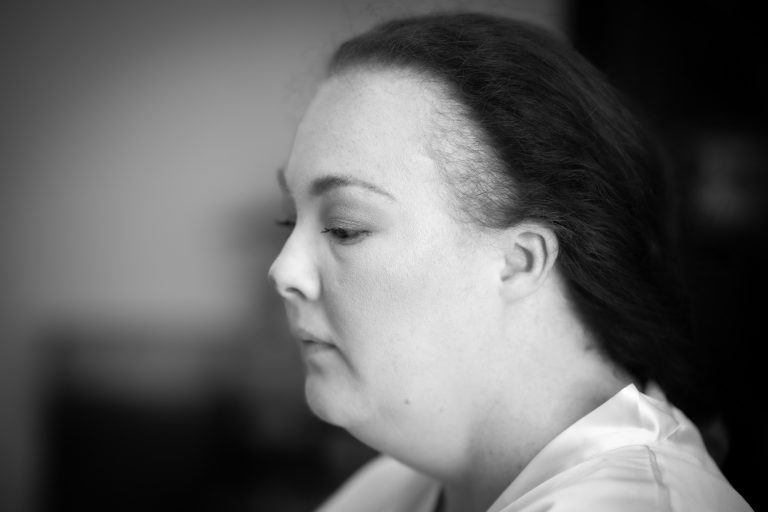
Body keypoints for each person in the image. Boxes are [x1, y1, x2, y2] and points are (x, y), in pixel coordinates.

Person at [267, 12, 753, 512]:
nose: (283, 270)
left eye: (345, 227)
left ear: (521, 261)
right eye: (289, 220)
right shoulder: (389, 490)